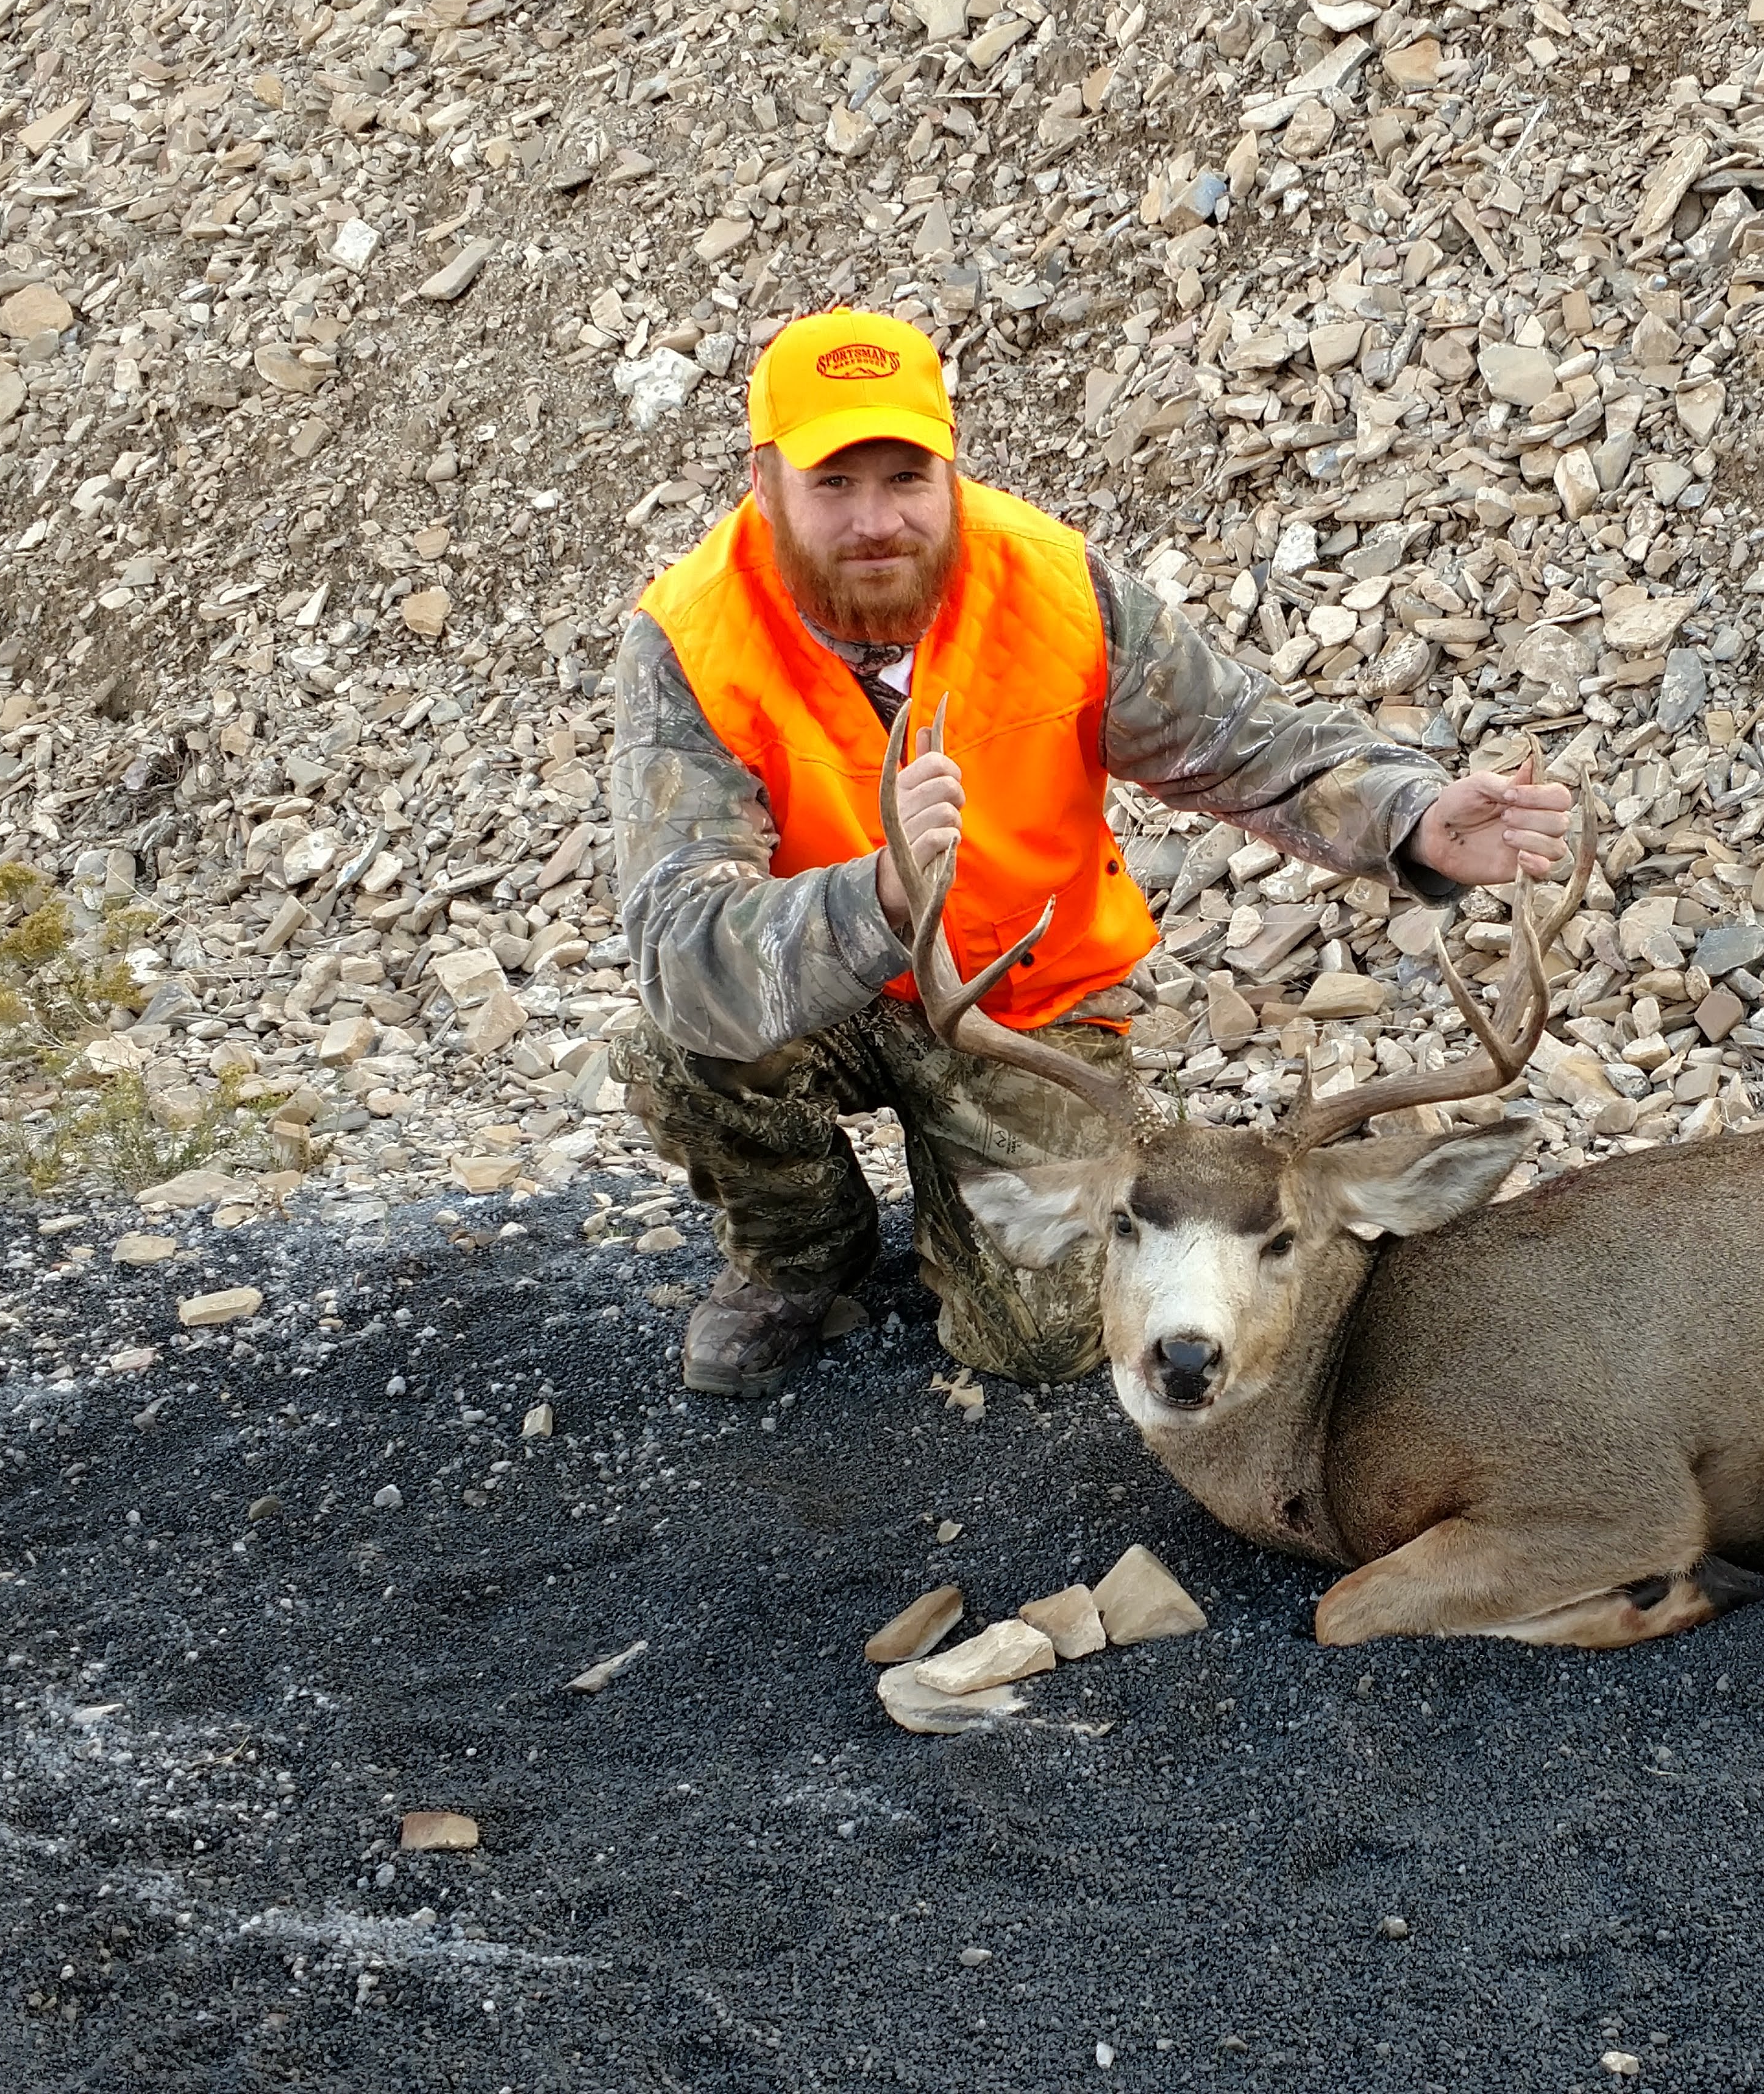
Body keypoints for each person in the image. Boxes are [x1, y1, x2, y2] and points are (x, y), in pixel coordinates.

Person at [608, 308, 1574, 1397]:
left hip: (1026, 1009)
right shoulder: (693, 641)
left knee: (1045, 1340)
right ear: (765, 482)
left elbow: (1239, 742)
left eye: (906, 478)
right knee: (678, 1054)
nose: (876, 520)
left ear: (949, 470)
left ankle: (959, 1189)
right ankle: (800, 1258)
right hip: (824, 994)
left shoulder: (1055, 588)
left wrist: (1411, 819)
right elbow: (682, 948)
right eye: (833, 483)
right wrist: (878, 893)